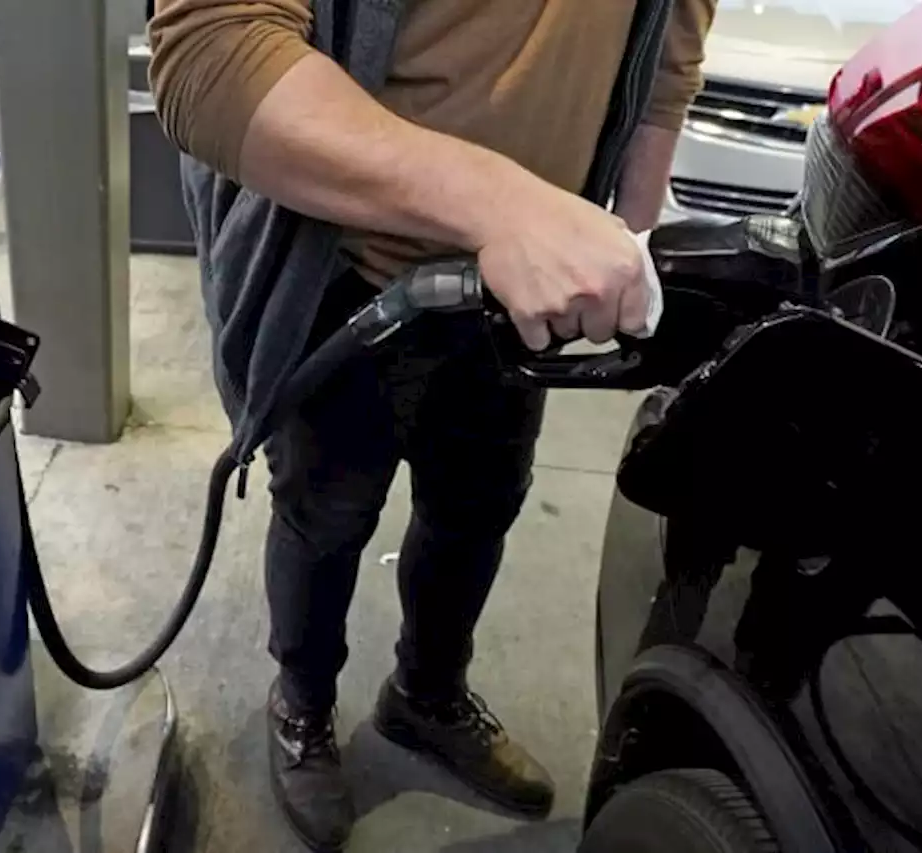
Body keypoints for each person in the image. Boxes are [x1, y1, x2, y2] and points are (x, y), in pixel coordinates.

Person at [149, 1, 716, 849]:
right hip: (349, 277)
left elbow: (666, 56)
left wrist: (631, 249)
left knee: (478, 506)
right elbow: (211, 51)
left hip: (519, 301)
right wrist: (500, 204)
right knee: (326, 516)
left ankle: (427, 693)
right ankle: (301, 699)